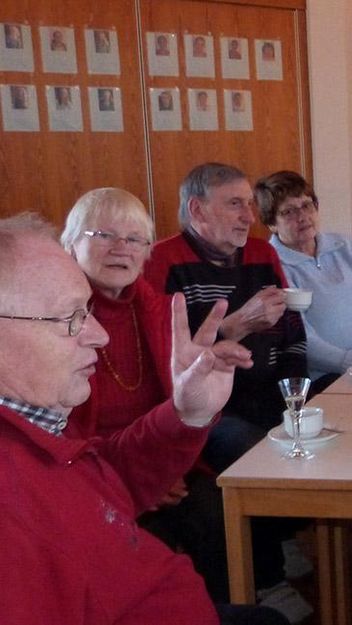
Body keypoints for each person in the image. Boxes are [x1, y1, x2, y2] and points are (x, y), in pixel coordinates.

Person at [0, 213, 293, 625]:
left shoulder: (36, 427)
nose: (99, 335)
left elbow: (103, 484)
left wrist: (185, 414)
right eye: (71, 318)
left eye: (87, 310)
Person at [144, 163, 311, 617]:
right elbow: (170, 361)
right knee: (252, 447)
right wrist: (238, 324)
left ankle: (283, 529)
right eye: (235, 204)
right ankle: (267, 574)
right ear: (197, 210)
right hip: (209, 411)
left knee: (322, 419)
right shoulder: (164, 262)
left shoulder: (261, 254)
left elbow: (293, 330)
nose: (249, 217)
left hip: (269, 390)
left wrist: (296, 390)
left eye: (250, 205)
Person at [258, 171, 352, 388]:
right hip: (330, 374)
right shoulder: (273, 267)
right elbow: (303, 339)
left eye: (307, 205)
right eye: (288, 212)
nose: (302, 216)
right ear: (271, 223)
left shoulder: (349, 248)